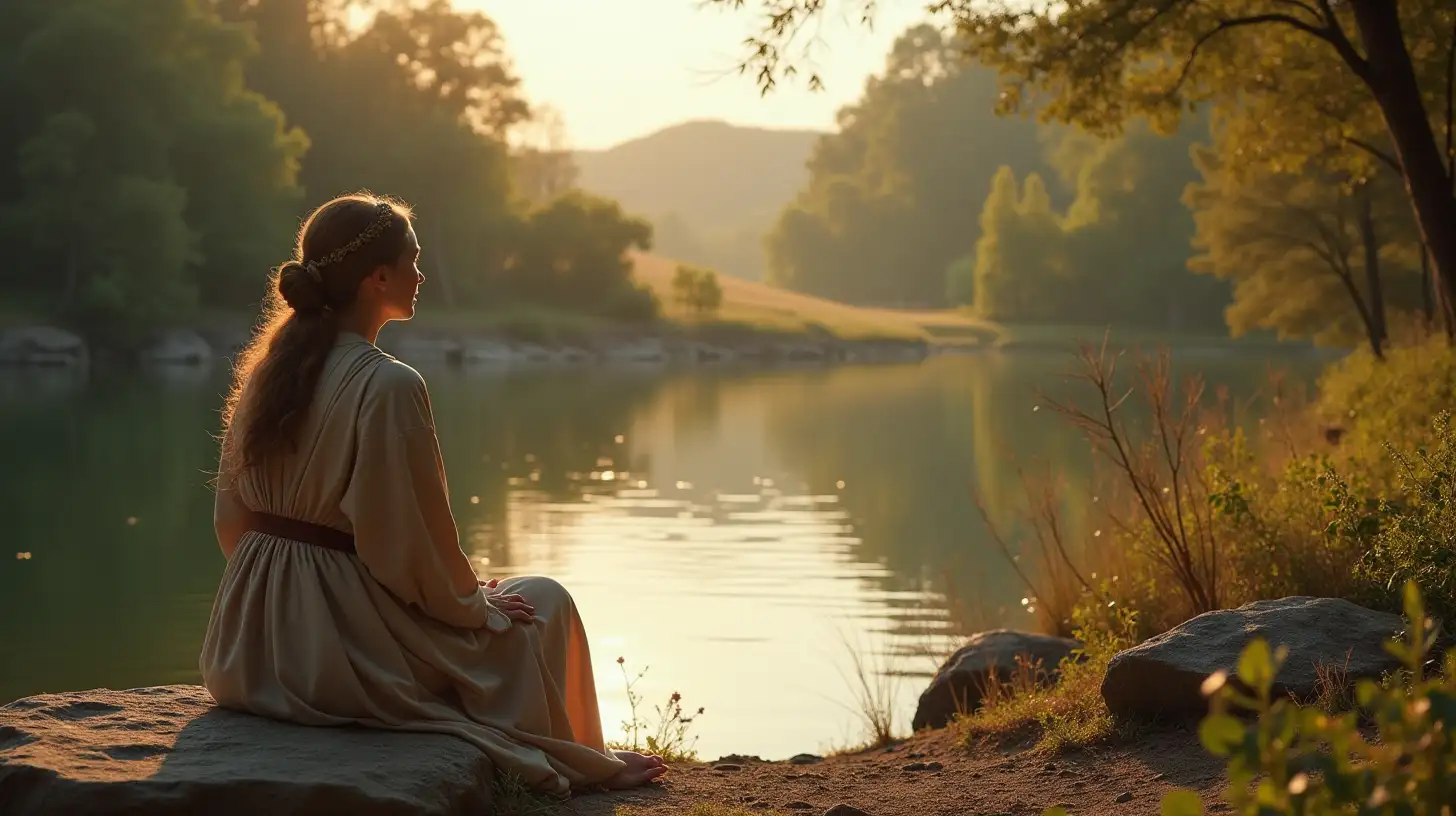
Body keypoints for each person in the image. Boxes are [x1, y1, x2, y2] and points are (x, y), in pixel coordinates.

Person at [200, 193, 667, 794]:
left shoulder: (264, 374)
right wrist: (473, 604)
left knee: (503, 603)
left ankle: (573, 751)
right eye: (413, 260)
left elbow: (228, 522)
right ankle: (580, 758)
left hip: (246, 649)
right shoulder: (388, 384)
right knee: (542, 601)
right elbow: (404, 551)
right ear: (378, 277)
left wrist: (282, 600)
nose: (421, 274)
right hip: (331, 662)